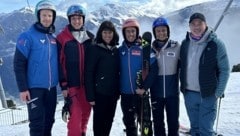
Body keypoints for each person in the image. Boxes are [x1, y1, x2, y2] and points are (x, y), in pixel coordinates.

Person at [180, 12, 230, 136]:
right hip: (189, 94)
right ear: (189, 26)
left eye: (199, 23)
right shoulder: (185, 43)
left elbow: (225, 69)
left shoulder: (216, 44)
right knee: (195, 129)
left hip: (208, 94)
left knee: (206, 130)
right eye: (193, 24)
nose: (196, 27)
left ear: (205, 24)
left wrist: (218, 92)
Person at [13, 0, 58, 136]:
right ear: (38, 16)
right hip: (34, 89)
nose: (47, 18)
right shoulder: (27, 36)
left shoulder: (53, 38)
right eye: (44, 15)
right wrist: (23, 89)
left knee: (49, 121)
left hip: (51, 88)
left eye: (50, 16)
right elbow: (18, 64)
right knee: (37, 124)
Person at [138, 17, 181, 136]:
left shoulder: (176, 46)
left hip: (172, 94)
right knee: (158, 123)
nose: (161, 33)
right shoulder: (149, 50)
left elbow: (187, 65)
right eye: (158, 31)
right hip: (156, 93)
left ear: (168, 31)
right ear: (154, 33)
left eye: (163, 30)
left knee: (173, 123)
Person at [56, 4, 94, 136]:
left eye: (79, 18)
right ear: (69, 20)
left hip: (88, 86)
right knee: (75, 119)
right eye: (73, 19)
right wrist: (64, 85)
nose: (77, 21)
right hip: (72, 86)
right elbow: (59, 63)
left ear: (83, 19)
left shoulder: (90, 37)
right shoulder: (62, 38)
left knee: (85, 115)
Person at [85, 20, 120, 136]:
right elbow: (88, 72)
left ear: (114, 34)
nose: (107, 35)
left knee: (109, 122)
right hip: (99, 94)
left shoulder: (116, 50)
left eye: (110, 33)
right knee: (99, 124)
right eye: (105, 32)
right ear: (100, 33)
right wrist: (90, 95)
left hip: (113, 94)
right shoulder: (94, 49)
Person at [119, 18, 152, 136]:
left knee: (145, 123)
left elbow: (154, 68)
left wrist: (145, 87)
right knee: (129, 124)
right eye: (128, 31)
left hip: (141, 93)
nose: (131, 34)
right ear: (124, 33)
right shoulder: (120, 50)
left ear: (137, 32)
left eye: (133, 31)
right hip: (126, 94)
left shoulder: (144, 47)